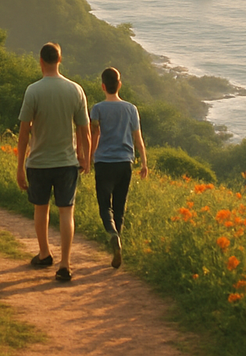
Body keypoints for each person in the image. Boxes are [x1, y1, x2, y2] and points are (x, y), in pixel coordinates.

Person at [16, 42, 90, 282]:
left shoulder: (33, 91)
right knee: (66, 211)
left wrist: (19, 166)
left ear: (41, 61)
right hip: (66, 161)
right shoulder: (75, 90)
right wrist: (85, 157)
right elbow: (84, 130)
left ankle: (44, 253)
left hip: (38, 161)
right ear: (60, 60)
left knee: (41, 208)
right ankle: (65, 264)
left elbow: (24, 131)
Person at [89, 67, 148, 269]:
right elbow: (137, 138)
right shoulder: (131, 109)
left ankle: (113, 235)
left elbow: (94, 134)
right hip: (125, 162)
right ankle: (118, 242)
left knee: (105, 205)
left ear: (103, 86)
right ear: (119, 85)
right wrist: (144, 163)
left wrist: (89, 157)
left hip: (104, 162)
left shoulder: (97, 109)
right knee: (120, 206)